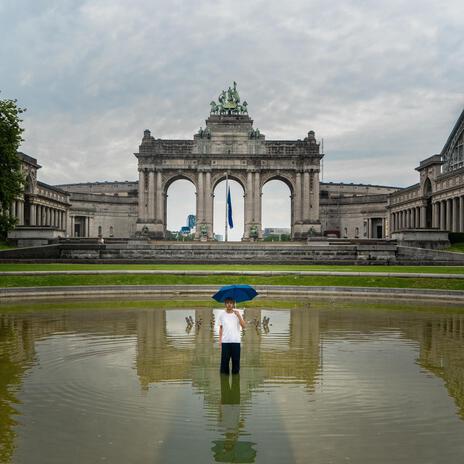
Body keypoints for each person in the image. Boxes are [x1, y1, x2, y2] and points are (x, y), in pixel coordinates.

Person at [218, 298, 246, 375]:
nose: (229, 304)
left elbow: (244, 326)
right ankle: (224, 381)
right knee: (224, 364)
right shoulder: (222, 315)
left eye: (231, 303)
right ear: (225, 304)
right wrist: (220, 340)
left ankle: (235, 379)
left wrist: (239, 316)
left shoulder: (238, 313)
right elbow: (221, 328)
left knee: (236, 363)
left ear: (233, 304)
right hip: (225, 342)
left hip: (236, 341)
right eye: (227, 303)